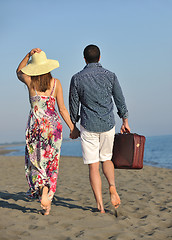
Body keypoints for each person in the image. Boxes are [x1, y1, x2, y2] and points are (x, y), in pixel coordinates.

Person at [16, 48, 79, 215]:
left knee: (36, 161)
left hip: (36, 127)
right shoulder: (56, 83)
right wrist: (73, 128)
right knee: (52, 163)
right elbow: (63, 109)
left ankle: (42, 190)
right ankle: (48, 201)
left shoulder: (30, 82)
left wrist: (28, 55)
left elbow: (18, 72)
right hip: (53, 128)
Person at [69, 44, 130, 213]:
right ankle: (112, 186)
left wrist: (73, 125)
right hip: (108, 125)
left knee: (93, 166)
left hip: (88, 126)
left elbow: (73, 105)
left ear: (84, 59)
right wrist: (125, 120)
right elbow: (120, 99)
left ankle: (101, 207)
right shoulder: (110, 76)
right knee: (107, 159)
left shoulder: (77, 78)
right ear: (100, 58)